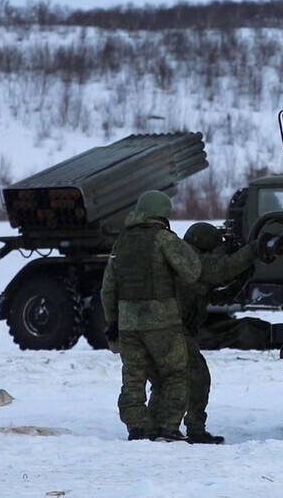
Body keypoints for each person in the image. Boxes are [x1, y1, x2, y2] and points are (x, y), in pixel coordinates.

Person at [101, 190, 202, 442]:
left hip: (128, 322)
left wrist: (113, 321)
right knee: (176, 374)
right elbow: (192, 272)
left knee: (133, 377)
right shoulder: (163, 238)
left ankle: (137, 428)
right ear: (162, 213)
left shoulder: (121, 242)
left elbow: (108, 287)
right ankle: (168, 427)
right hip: (162, 321)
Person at [148, 221, 261, 444]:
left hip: (168, 329)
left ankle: (155, 427)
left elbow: (220, 297)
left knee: (165, 380)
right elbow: (222, 269)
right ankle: (193, 429)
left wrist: (245, 273)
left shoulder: (186, 263)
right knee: (198, 378)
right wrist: (253, 250)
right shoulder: (193, 261)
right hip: (173, 329)